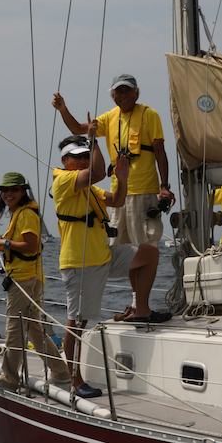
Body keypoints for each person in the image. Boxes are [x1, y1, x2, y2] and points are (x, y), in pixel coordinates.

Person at [53, 127, 171, 399]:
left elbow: (117, 201)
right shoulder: (63, 181)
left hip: (104, 256)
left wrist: (123, 179)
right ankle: (75, 381)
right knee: (77, 324)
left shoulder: (91, 190)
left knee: (149, 254)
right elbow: (97, 172)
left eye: (86, 155)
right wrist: (94, 140)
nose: (83, 160)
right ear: (64, 161)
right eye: (77, 156)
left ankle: (142, 310)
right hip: (81, 265)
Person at [52, 73, 174, 321]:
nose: (123, 95)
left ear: (136, 93)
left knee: (146, 250)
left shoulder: (149, 114)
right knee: (128, 252)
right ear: (113, 95)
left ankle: (141, 308)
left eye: (127, 90)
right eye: (118, 91)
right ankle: (135, 305)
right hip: (120, 194)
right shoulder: (109, 117)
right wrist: (63, 109)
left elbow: (160, 151)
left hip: (144, 193)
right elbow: (78, 129)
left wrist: (164, 186)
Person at [0, 172, 71, 392]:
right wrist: (2, 244)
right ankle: (60, 373)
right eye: (5, 190)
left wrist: (4, 242)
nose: (8, 194)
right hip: (31, 278)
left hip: (24, 280)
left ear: (23, 191)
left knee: (15, 330)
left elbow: (31, 246)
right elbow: (23, 245)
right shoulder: (21, 212)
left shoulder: (26, 215)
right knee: (34, 329)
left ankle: (9, 380)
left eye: (14, 189)